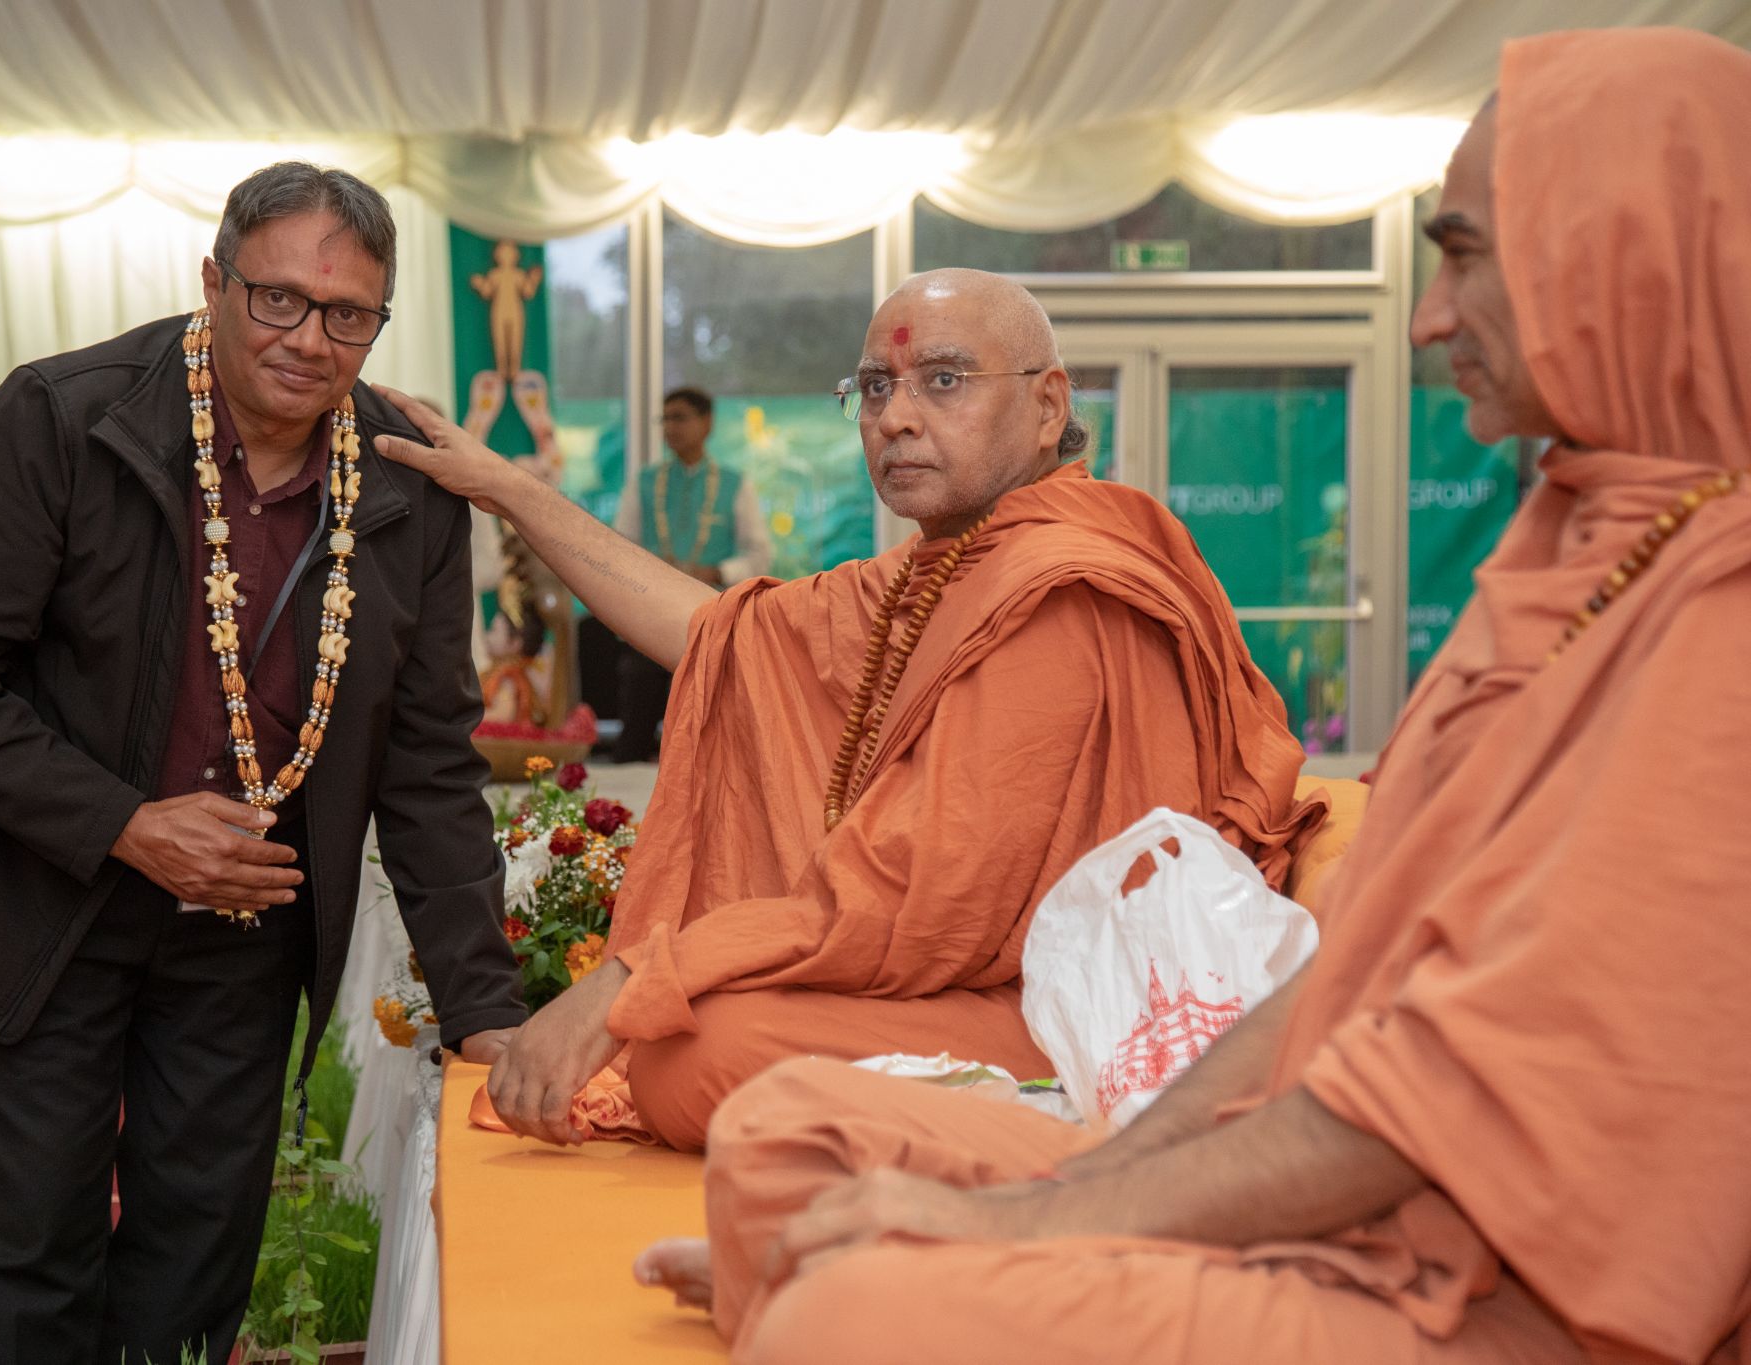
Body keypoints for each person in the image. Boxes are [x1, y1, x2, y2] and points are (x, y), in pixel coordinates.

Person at [632, 26, 1751, 1363]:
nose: (1428, 317)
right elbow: (1343, 991)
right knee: (779, 1147)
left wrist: (1028, 1225)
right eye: (877, 388)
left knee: (847, 1305)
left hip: (1500, 1287)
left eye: (1460, 255)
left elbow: (1446, 1097)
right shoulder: (1576, 542)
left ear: (1621, 249)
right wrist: (1082, 1186)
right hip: (1329, 1149)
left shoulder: (1720, 608)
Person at [376, 267, 1322, 1151]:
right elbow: (724, 635)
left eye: (943, 380)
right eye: (875, 388)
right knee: (687, 1040)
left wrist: (637, 973)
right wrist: (508, 489)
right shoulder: (943, 569)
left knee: (693, 1051)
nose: (896, 417)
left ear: (1047, 406)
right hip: (975, 980)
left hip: (1075, 1005)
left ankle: (1045, 1133)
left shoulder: (1055, 589)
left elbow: (919, 893)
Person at [0, 162, 525, 1365]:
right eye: (278, 299)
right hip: (37, 908)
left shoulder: (405, 482)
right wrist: (125, 823)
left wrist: (485, 1015)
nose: (309, 340)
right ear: (213, 281)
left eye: (348, 315)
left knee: (196, 1262)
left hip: (240, 932)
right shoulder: (62, 420)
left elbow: (427, 762)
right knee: (27, 1262)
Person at [606, 385, 773, 760]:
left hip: (713, 614)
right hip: (651, 614)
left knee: (709, 719)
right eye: (665, 419)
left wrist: (715, 570)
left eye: (679, 418)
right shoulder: (644, 482)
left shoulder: (734, 484)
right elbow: (619, 547)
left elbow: (759, 554)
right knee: (638, 694)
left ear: (707, 423)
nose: (670, 427)